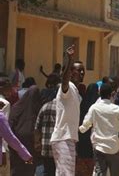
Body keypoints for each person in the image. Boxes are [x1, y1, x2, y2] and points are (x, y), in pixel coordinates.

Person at [50, 45, 84, 176]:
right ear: (71, 72)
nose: (81, 73)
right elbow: (64, 80)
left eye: (83, 71)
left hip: (68, 138)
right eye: (78, 70)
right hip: (63, 138)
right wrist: (69, 60)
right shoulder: (68, 87)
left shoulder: (77, 92)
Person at [79, 83, 119, 176]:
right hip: (113, 146)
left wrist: (80, 129)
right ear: (111, 94)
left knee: (100, 172)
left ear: (99, 93)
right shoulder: (117, 109)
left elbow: (86, 124)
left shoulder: (94, 108)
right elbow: (118, 127)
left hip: (99, 147)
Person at [8, 85, 41, 175]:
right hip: (30, 148)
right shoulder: (37, 109)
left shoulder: (15, 108)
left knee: (17, 170)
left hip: (16, 147)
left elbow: (9, 127)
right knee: (28, 170)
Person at [35, 85, 58, 176]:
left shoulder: (44, 107)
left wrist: (37, 143)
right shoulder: (63, 109)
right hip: (58, 146)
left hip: (45, 145)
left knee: (47, 170)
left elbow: (37, 127)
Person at [77, 83, 99, 176]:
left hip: (81, 135)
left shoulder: (82, 103)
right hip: (92, 137)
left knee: (81, 160)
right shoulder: (97, 105)